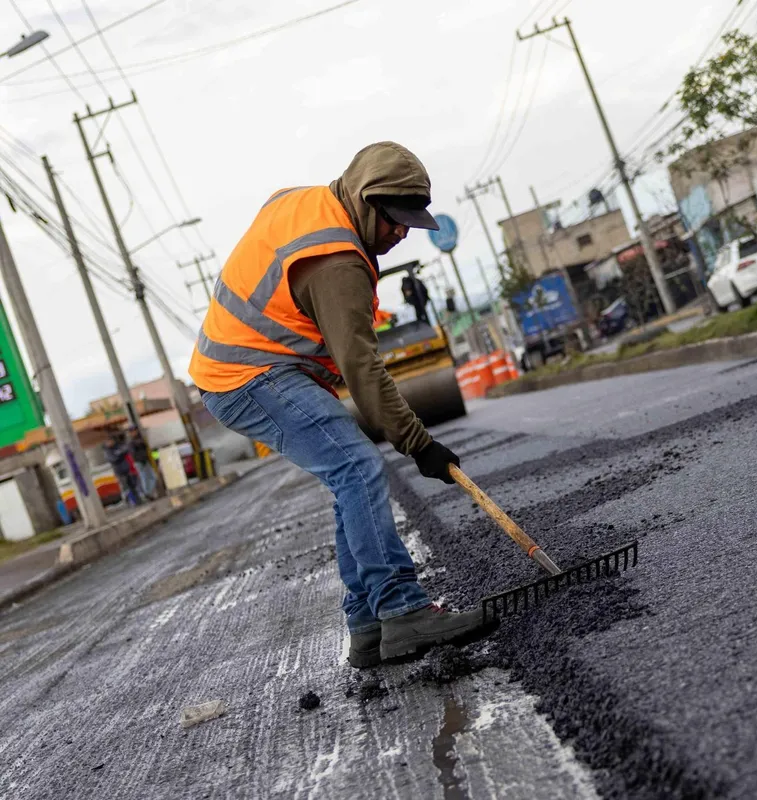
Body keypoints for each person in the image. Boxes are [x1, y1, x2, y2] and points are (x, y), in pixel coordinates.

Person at [189, 142, 489, 668]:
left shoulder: (311, 203)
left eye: (410, 223)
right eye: (394, 220)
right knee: (357, 467)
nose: (401, 233)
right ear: (366, 201)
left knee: (349, 477)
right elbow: (362, 369)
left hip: (254, 367)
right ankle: (403, 609)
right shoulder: (337, 262)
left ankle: (367, 623)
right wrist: (419, 445)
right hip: (247, 374)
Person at [103, 430, 140, 506]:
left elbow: (126, 450)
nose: (111, 442)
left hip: (126, 468)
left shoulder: (118, 446)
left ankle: (137, 500)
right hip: (119, 471)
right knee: (125, 487)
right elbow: (114, 459)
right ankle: (129, 501)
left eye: (111, 440)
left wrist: (119, 453)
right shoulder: (107, 451)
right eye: (109, 441)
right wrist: (121, 454)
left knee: (132, 485)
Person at [127, 426, 158, 499]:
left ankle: (148, 492)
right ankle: (147, 493)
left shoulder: (141, 439)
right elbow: (133, 454)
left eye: (135, 430)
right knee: (144, 478)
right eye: (132, 431)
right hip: (140, 462)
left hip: (146, 460)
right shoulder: (132, 443)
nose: (134, 432)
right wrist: (141, 458)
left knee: (152, 477)